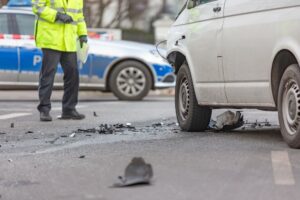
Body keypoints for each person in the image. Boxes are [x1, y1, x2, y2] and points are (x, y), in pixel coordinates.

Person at [32, 0, 88, 121]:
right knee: (48, 75)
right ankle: (44, 110)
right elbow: (37, 7)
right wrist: (57, 15)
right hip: (50, 39)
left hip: (69, 41)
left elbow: (79, 16)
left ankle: (69, 110)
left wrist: (82, 34)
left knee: (73, 75)